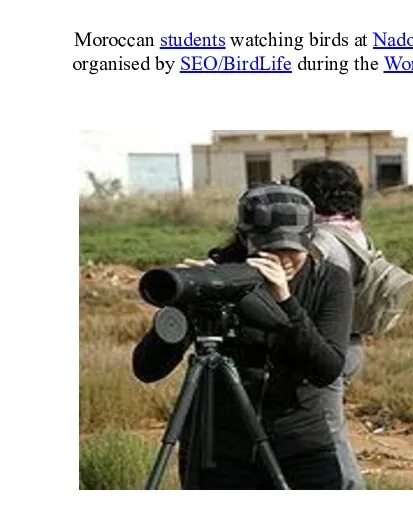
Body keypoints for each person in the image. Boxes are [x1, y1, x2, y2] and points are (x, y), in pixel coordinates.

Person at [132, 183, 354, 489]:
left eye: (292, 249)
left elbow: (326, 369)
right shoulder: (223, 278)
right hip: (221, 451)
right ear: (245, 238)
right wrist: (184, 307)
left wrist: (285, 303)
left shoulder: (328, 280)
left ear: (310, 240)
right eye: (270, 249)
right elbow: (147, 368)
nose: (281, 259)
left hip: (300, 445)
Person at [289, 159, 369, 490]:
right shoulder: (353, 231)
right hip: (351, 342)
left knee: (328, 435)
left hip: (327, 345)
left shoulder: (322, 241)